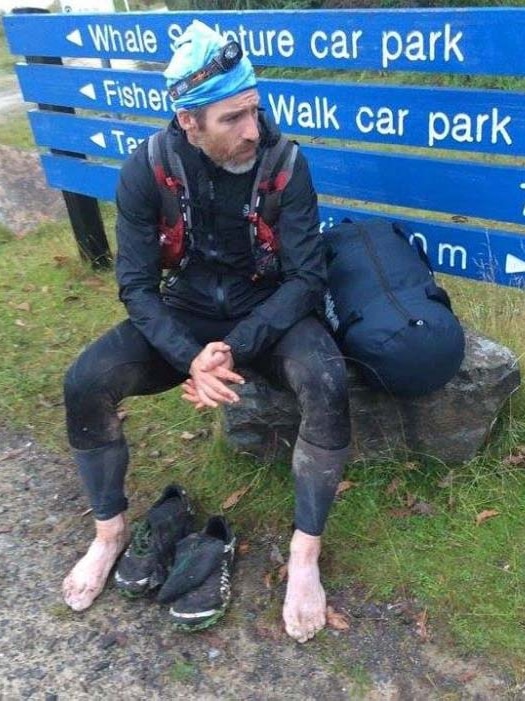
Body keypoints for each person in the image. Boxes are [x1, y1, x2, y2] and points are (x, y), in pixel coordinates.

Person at [62, 20, 350, 644]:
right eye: (232, 118)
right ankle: (109, 533)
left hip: (268, 312)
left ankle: (305, 555)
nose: (252, 128)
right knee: (84, 381)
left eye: (255, 109)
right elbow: (136, 285)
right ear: (188, 121)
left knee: (327, 380)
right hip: (184, 314)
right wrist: (191, 355)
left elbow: (305, 277)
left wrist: (233, 348)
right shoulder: (146, 169)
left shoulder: (284, 162)